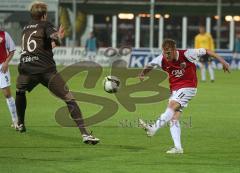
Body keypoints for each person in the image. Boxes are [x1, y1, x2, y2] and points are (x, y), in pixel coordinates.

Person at [15, 1, 99, 145]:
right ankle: (85, 134)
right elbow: (55, 39)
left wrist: (54, 40)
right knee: (69, 98)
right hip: (46, 70)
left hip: (26, 69)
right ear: (44, 15)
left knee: (20, 91)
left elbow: (41, 47)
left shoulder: (25, 29)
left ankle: (20, 124)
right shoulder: (46, 25)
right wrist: (58, 36)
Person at [138, 39, 230, 154]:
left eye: (169, 53)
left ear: (174, 50)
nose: (167, 56)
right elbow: (150, 65)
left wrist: (223, 62)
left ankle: (153, 128)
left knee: (171, 106)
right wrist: (142, 73)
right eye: (165, 53)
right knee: (173, 117)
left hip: (188, 87)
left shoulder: (187, 54)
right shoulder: (161, 58)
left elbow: (207, 51)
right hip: (175, 90)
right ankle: (178, 148)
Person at [0, 29, 18, 128]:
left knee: (7, 94)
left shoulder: (4, 34)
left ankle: (15, 120)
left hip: (2, 67)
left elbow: (12, 50)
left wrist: (6, 63)